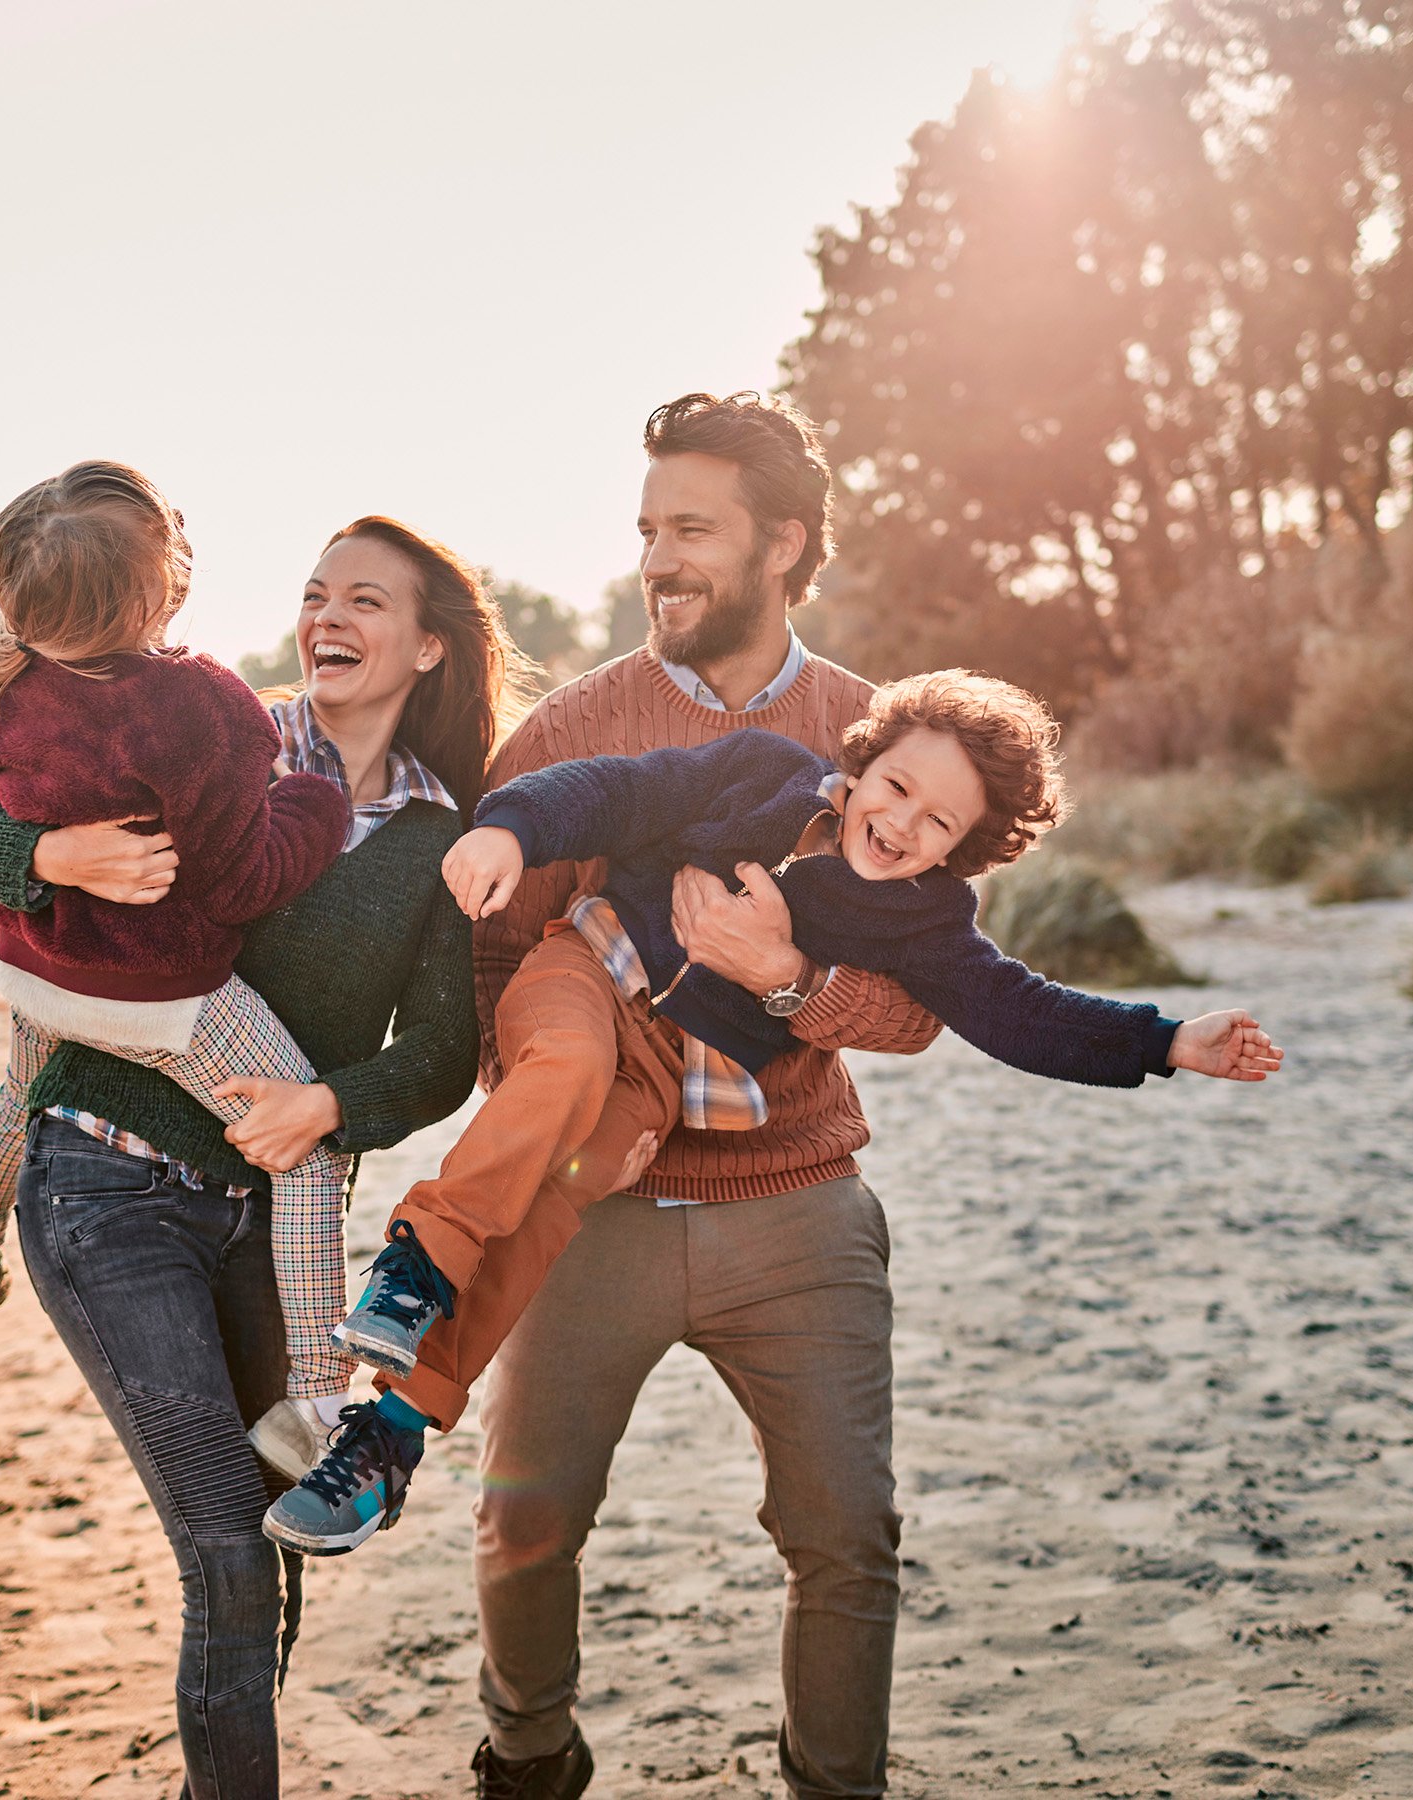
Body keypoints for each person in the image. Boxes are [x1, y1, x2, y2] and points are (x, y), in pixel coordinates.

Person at [261, 673, 1279, 1558]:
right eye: (897, 788)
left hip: (669, 1077)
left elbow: (1021, 1012)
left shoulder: (924, 921)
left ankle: (392, 1431)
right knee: (563, 1069)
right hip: (590, 970)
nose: (903, 825)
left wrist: (1166, 1040)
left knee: (550, 1207)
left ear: (967, 851)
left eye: (941, 826)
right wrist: (509, 826)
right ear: (862, 764)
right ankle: (417, 1263)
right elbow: (616, 792)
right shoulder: (760, 769)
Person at [0, 514, 510, 1799]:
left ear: (430, 650)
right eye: (315, 593)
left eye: (366, 601)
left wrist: (326, 1108)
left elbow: (442, 1057)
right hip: (105, 1184)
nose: (327, 618)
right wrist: (43, 857)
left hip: (276, 1226)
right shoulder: (199, 727)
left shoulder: (440, 838)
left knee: (272, 1549)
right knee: (227, 1550)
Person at [432, 390, 950, 1800]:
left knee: (848, 1533)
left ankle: (834, 1783)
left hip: (801, 1212)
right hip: (591, 1215)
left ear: (786, 543)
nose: (660, 558)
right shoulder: (571, 732)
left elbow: (921, 1004)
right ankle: (530, 1756)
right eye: (649, 529)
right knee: (525, 1524)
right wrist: (560, 1107)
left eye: (694, 530)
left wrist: (791, 990)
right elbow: (492, 951)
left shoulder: (878, 742)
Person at [0, 463, 362, 1463]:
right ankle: (317, 1400)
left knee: (17, 1100)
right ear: (160, 591)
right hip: (164, 1002)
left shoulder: (2, 678)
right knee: (308, 1148)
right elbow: (242, 882)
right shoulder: (201, 704)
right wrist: (316, 801)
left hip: (37, 974)